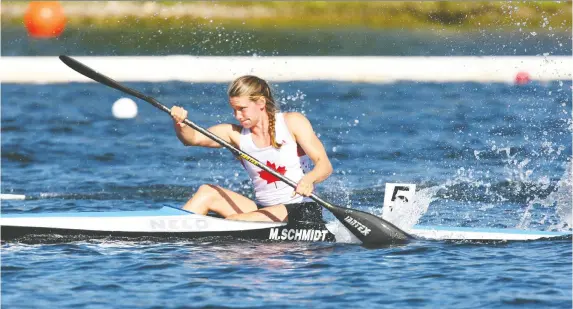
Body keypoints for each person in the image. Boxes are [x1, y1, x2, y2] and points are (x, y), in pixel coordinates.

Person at [170, 75, 333, 223]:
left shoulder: (292, 122)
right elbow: (192, 138)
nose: (237, 115)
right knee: (207, 192)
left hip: (302, 210)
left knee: (235, 221)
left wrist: (309, 179)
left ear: (261, 103)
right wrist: (180, 123)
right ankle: (172, 232)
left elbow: (324, 165)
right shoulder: (235, 134)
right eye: (234, 110)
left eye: (242, 109)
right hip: (264, 209)